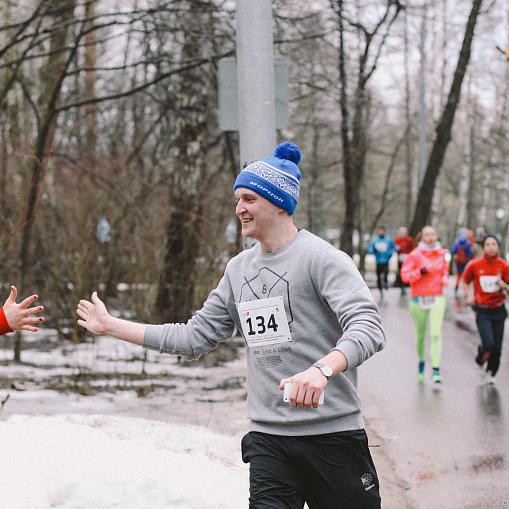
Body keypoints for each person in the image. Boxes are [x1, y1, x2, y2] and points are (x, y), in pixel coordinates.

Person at [77, 142, 386, 509]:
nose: (239, 208)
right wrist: (111, 326)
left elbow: (367, 326)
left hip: (332, 435)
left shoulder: (321, 258)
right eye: (238, 199)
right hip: (270, 440)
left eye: (249, 199)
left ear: (278, 202)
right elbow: (194, 337)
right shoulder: (238, 269)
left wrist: (322, 369)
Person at [401, 226, 449, 383]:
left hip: (437, 298)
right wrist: (420, 272)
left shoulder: (441, 253)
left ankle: (436, 369)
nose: (430, 237)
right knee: (421, 335)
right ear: (421, 238)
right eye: (427, 235)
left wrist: (445, 278)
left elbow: (444, 270)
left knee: (435, 334)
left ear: (436, 236)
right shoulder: (415, 255)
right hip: (418, 299)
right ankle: (421, 361)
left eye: (433, 234)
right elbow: (405, 276)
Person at [463, 235, 509, 383]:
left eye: (494, 244)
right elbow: (465, 281)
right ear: (483, 247)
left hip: (499, 310)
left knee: (497, 347)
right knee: (488, 343)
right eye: (488, 244)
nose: (490, 247)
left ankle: (491, 372)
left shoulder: (504, 266)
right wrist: (469, 296)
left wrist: (505, 286)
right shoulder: (475, 264)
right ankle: (479, 361)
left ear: (498, 247)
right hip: (482, 310)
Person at [367, 226, 397, 299]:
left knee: (386, 272)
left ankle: (386, 283)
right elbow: (370, 249)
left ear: (384, 231)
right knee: (378, 276)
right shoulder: (375, 240)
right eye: (380, 231)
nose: (381, 232)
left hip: (386, 260)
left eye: (382, 231)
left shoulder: (388, 239)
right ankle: (380, 289)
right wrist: (373, 251)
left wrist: (391, 253)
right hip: (378, 261)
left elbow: (394, 247)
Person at [451, 227, 473, 294]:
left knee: (458, 275)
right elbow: (470, 252)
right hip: (466, 261)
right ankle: (465, 289)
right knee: (465, 276)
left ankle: (456, 288)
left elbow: (453, 251)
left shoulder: (456, 241)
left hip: (458, 262)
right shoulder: (468, 242)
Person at [393, 227, 414, 295]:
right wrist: (397, 248)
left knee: (408, 272)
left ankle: (407, 285)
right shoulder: (396, 240)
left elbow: (412, 248)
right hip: (400, 260)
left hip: (407, 260)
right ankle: (402, 286)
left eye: (404, 233)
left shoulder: (409, 240)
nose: (402, 234)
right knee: (401, 273)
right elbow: (392, 248)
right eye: (401, 233)